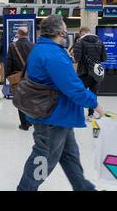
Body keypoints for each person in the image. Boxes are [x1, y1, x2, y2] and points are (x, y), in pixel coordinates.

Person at [17, 15, 104, 191]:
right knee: (43, 158)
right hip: (53, 117)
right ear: (60, 31)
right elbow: (72, 86)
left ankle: (84, 188)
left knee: (70, 157)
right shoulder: (53, 54)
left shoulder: (41, 49)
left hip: (59, 115)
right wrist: (93, 103)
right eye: (64, 30)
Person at [73, 27, 107, 121]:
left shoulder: (80, 42)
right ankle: (91, 115)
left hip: (84, 73)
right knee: (93, 94)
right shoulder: (100, 42)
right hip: (96, 72)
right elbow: (104, 58)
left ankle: (78, 114)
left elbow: (77, 59)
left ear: (81, 33)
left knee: (79, 93)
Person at [5, 27, 35, 131]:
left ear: (18, 33)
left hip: (17, 76)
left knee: (20, 100)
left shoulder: (13, 46)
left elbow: (9, 63)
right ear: (28, 34)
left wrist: (7, 76)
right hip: (31, 76)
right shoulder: (33, 46)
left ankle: (24, 124)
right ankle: (30, 120)